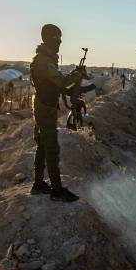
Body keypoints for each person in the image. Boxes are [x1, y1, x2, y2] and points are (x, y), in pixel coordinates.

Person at [29, 23, 85, 202]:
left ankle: (38, 184)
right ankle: (57, 190)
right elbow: (61, 82)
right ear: (50, 39)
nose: (60, 42)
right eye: (57, 39)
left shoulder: (44, 59)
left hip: (43, 104)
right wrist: (77, 75)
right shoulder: (45, 61)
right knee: (51, 148)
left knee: (43, 146)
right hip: (45, 107)